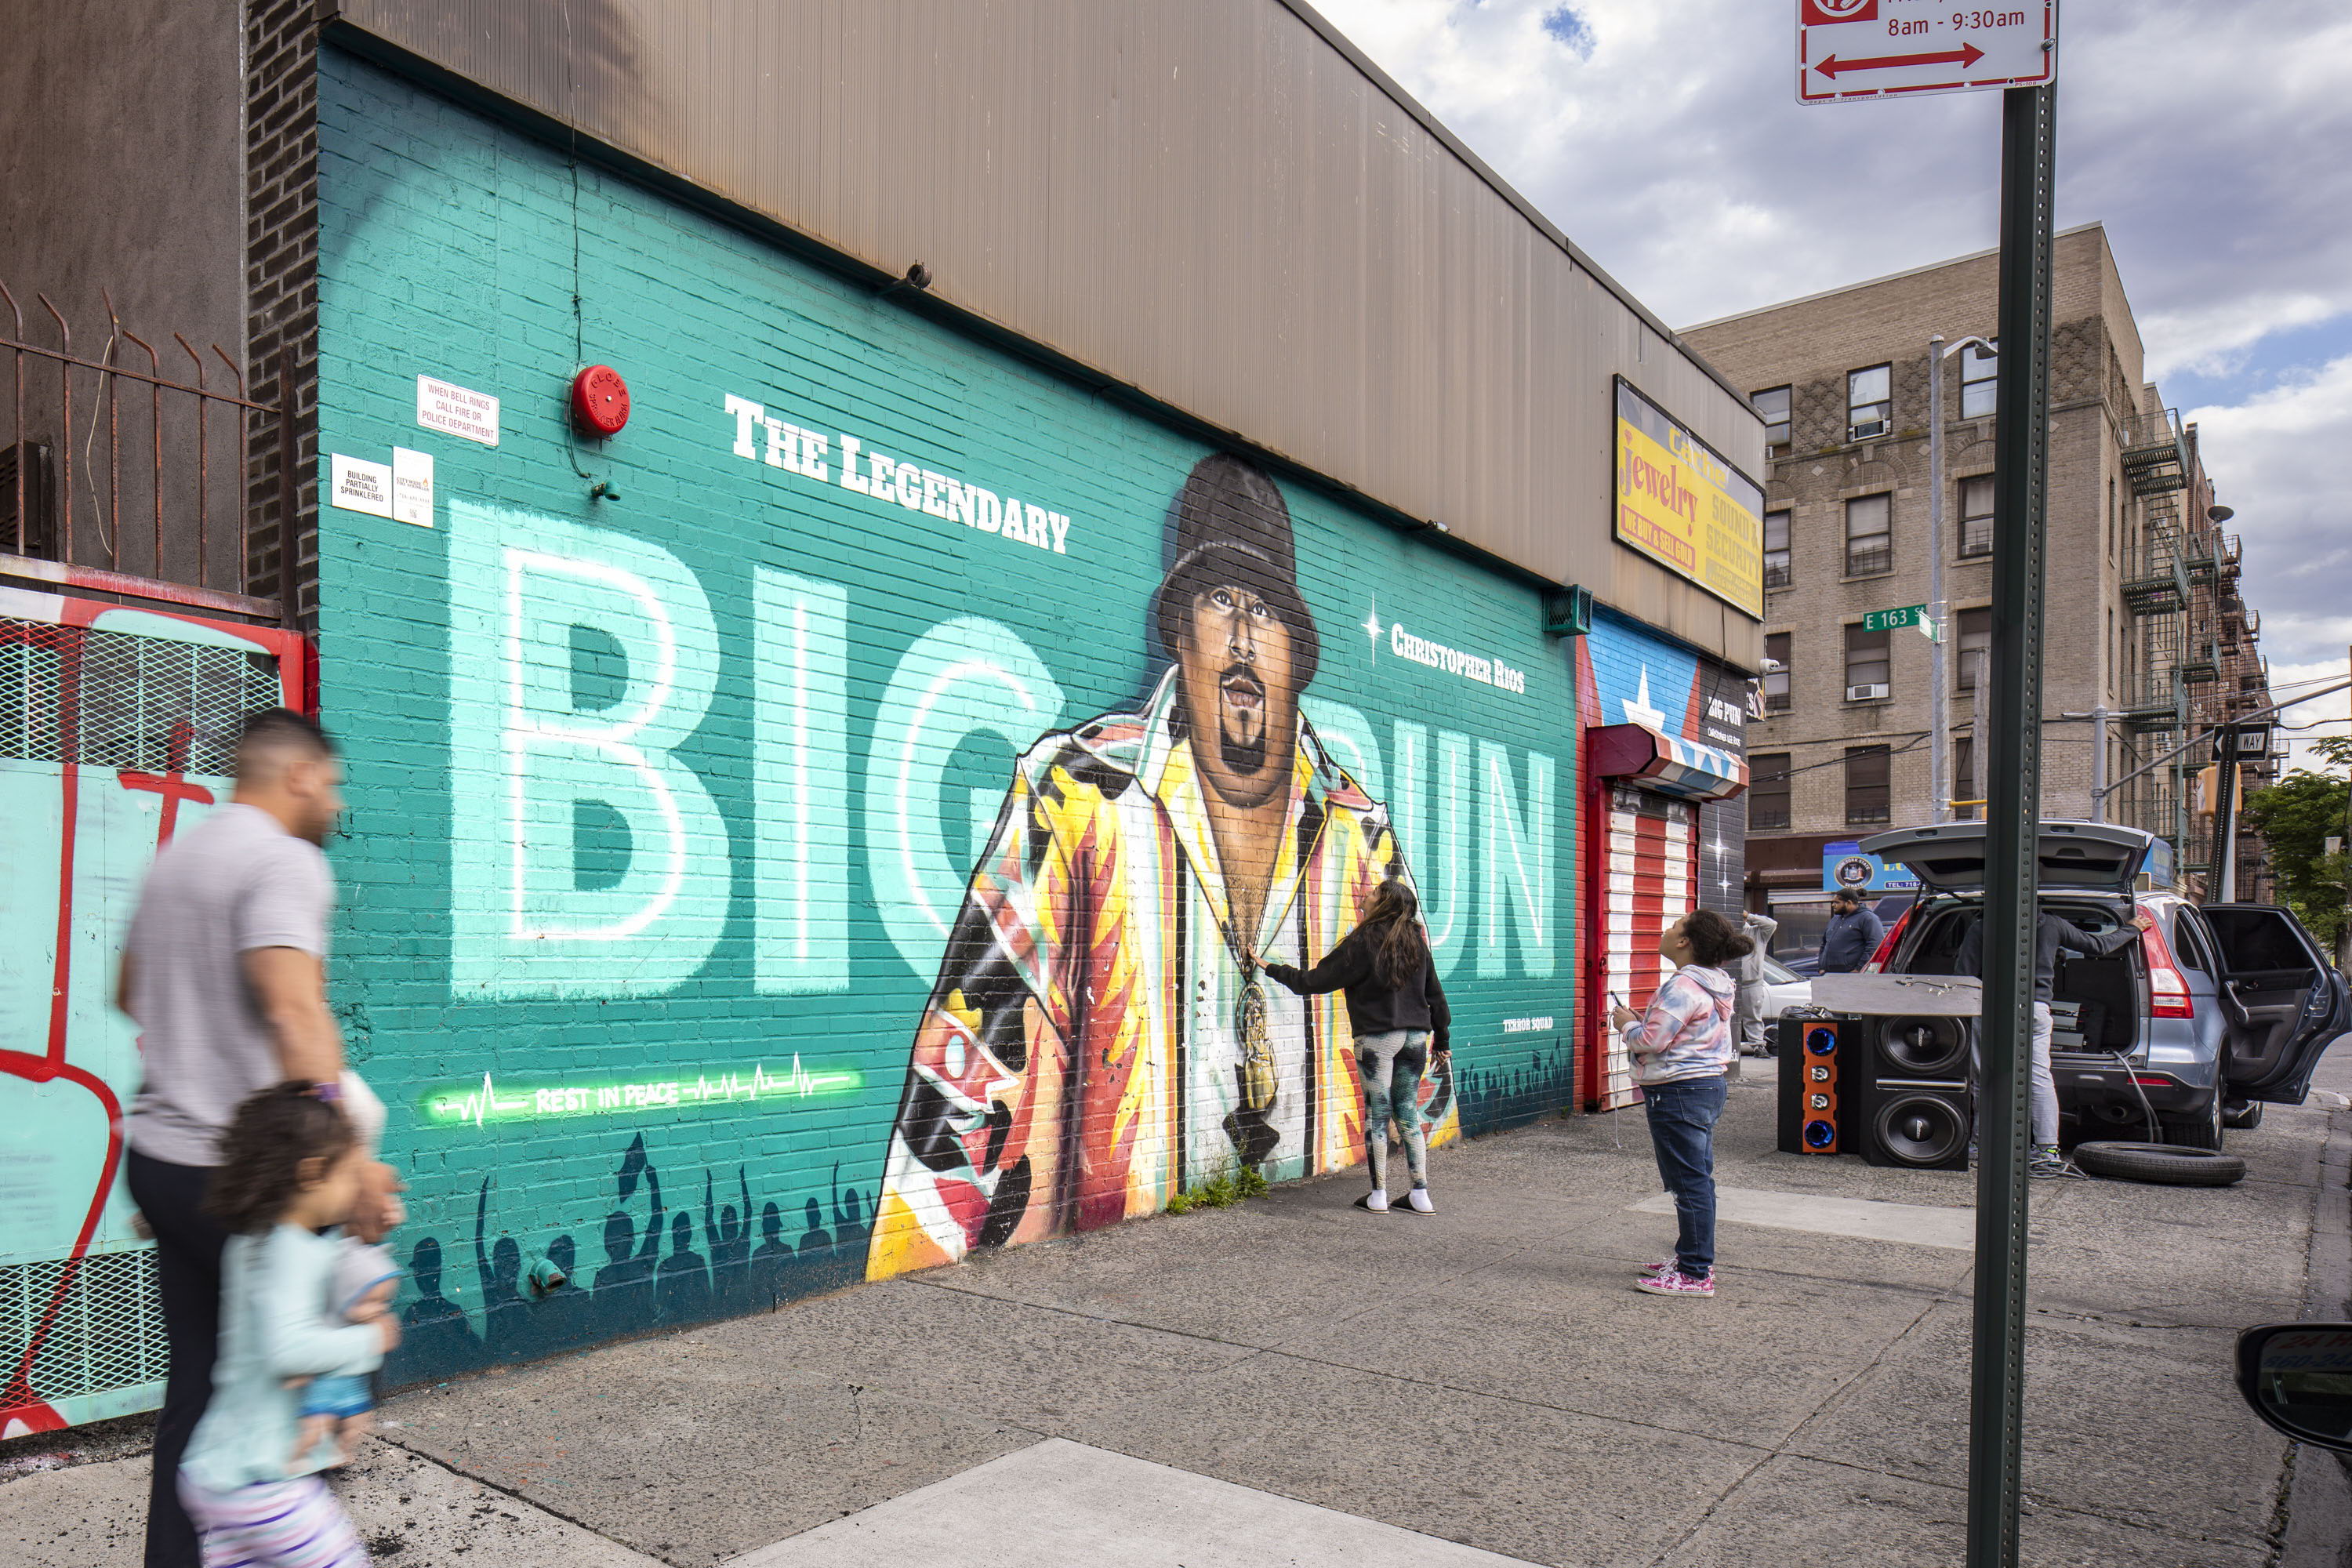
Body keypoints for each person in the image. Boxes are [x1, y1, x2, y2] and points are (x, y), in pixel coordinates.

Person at [869, 454, 1443, 1276]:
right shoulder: (1075, 795)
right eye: (1220, 602)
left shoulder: (1360, 827)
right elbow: (963, 1094)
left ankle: (1398, 1183)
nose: (1245, 635)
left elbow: (1424, 1014)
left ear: (1295, 652)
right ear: (1180, 633)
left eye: (1267, 611)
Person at [117, 708, 396, 1568]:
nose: (337, 803)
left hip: (162, 1161)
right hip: (248, 1178)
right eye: (335, 785)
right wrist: (349, 1165)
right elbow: (293, 1009)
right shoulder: (285, 859)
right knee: (325, 1351)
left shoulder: (180, 858)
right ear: (300, 775)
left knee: (202, 1387)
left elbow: (128, 990)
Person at [180, 1082, 396, 1567]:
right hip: (264, 1482)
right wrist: (370, 1339)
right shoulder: (291, 1251)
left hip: (216, 1474)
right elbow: (288, 1349)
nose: (353, 1186)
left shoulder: (252, 1241)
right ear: (313, 1174)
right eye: (347, 1173)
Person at [1261, 880, 1452, 1214]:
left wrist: (1271, 968)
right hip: (1416, 1038)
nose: (1367, 894)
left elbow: (1315, 982)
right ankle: (1420, 1195)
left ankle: (1378, 1195)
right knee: (1407, 1112)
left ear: (1384, 903)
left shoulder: (1364, 941)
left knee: (1378, 1116)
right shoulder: (1416, 943)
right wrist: (1443, 1040)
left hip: (1379, 1039)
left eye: (1374, 892)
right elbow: (1435, 995)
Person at [1610, 910, 1751, 1299]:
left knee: (1689, 1183)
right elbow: (1676, 1034)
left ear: (1686, 942)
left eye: (1675, 927)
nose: (1666, 931)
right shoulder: (1715, 982)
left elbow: (1651, 1042)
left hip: (1679, 1091)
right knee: (1693, 1179)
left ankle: (1693, 1272)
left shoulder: (1682, 986)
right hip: (1703, 1087)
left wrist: (1625, 1023)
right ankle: (1691, 1258)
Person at [1956, 906, 2150, 1175]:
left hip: (1989, 1008)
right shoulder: (2052, 924)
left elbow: (1963, 977)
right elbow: (2098, 945)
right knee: (2039, 1078)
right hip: (2034, 1010)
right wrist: (2132, 929)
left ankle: (1981, 1145)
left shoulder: (1981, 927)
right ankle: (2048, 1150)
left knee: (1985, 1077)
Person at [289, 1246, 399, 1468]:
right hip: (324, 1393)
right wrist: (299, 1375)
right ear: (346, 1298)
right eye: (370, 1302)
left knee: (355, 1427)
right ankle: (294, 1460)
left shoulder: (373, 1328)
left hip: (353, 1392)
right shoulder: (329, 1331)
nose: (378, 1309)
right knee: (315, 1431)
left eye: (384, 1302)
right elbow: (309, 1354)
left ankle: (340, 1451)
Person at [1732, 910, 1780, 1055]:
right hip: (1729, 982)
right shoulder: (1726, 935)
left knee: (1753, 1016)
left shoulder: (1757, 933)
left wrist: (1749, 915)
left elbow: (1772, 924)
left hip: (1751, 982)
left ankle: (1758, 1046)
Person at [1818, 888, 1885, 975]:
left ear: (1849, 903)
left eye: (1837, 902)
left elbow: (1875, 946)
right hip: (1829, 974)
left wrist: (1859, 969)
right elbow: (1824, 944)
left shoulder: (1868, 918)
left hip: (1851, 976)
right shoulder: (1835, 919)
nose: (1833, 905)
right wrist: (1821, 967)